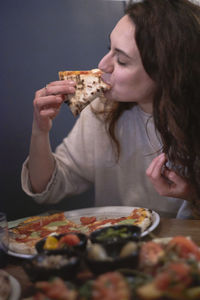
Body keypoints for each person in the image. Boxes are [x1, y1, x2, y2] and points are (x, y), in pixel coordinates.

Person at [21, 0, 200, 219]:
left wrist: (193, 195)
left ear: (166, 74)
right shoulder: (102, 109)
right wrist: (40, 131)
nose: (103, 65)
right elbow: (46, 189)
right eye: (109, 49)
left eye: (122, 60)